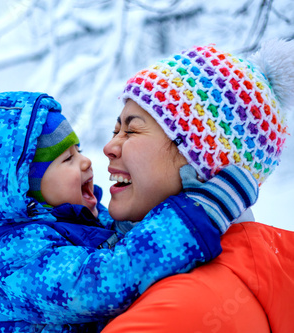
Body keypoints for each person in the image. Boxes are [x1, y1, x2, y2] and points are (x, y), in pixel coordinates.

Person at [0, 91, 257, 332]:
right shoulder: (17, 257)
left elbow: (131, 245)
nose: (86, 161)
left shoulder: (90, 219)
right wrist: (197, 214)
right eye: (66, 159)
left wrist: (179, 193)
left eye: (78, 150)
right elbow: (104, 281)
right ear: (24, 192)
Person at [101, 40, 294, 332]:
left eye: (132, 129)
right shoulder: (253, 270)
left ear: (201, 160)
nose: (109, 147)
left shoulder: (173, 314)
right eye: (116, 130)